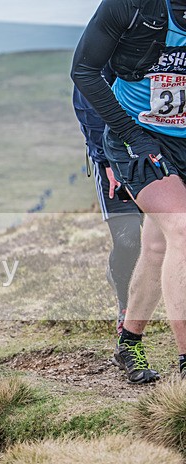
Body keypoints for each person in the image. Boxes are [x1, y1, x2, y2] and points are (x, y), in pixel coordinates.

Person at [72, 0, 186, 383]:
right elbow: (84, 73)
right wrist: (115, 147)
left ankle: (129, 341)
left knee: (157, 246)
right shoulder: (133, 6)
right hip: (137, 138)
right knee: (180, 229)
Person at [72, 85, 142, 333]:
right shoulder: (99, 60)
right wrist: (104, 160)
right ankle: (125, 306)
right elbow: (86, 100)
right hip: (113, 156)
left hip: (162, 150)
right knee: (128, 240)